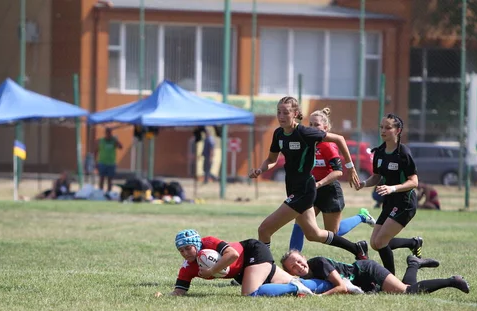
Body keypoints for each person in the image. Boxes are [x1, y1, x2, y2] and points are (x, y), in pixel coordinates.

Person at [249, 97, 367, 260]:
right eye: (278, 112)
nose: (281, 116)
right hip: (294, 189)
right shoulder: (278, 134)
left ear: (295, 114)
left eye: (286, 112)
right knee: (313, 234)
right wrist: (260, 170)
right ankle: (356, 248)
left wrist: (350, 167)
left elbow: (339, 139)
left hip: (304, 191)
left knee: (264, 229)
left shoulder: (305, 132)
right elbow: (271, 160)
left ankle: (265, 268)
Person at [288, 107, 375, 252]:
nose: (312, 128)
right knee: (300, 224)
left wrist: (320, 183)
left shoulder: (328, 145)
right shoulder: (307, 143)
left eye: (316, 125)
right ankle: (292, 259)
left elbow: (338, 172)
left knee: (333, 233)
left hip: (329, 191)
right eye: (310, 124)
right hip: (312, 190)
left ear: (325, 128)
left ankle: (362, 217)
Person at [159, 229, 330, 297]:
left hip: (251, 251)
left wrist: (211, 270)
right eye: (181, 250)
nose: (185, 253)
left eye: (188, 248)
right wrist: (165, 297)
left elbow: (232, 254)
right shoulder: (188, 267)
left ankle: (295, 288)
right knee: (300, 281)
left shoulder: (209, 242)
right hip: (241, 271)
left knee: (249, 294)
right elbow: (180, 290)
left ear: (196, 244)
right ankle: (331, 283)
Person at [355, 113, 423, 275]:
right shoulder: (379, 152)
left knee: (380, 241)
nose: (383, 131)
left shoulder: (403, 153)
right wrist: (364, 183)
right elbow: (377, 177)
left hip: (405, 203)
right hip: (390, 202)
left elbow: (414, 181)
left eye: (388, 128)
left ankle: (389, 278)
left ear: (398, 130)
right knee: (374, 243)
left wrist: (393, 188)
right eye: (381, 127)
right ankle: (413, 243)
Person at [280, 249, 470, 296]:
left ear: (304, 258)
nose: (298, 266)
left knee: (407, 292)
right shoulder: (301, 278)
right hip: (363, 282)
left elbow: (340, 287)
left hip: (367, 270)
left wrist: (319, 297)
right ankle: (414, 263)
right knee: (407, 288)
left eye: (298, 261)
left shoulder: (319, 263)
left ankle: (452, 281)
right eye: (293, 267)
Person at [94, 127, 122, 193]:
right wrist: (96, 162)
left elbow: (121, 147)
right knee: (102, 178)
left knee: (110, 179)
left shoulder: (114, 141)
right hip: (102, 163)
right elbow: (95, 151)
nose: (109, 134)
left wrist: (116, 140)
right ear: (105, 133)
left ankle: (109, 192)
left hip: (111, 163)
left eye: (110, 133)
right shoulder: (101, 141)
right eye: (107, 132)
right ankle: (100, 192)